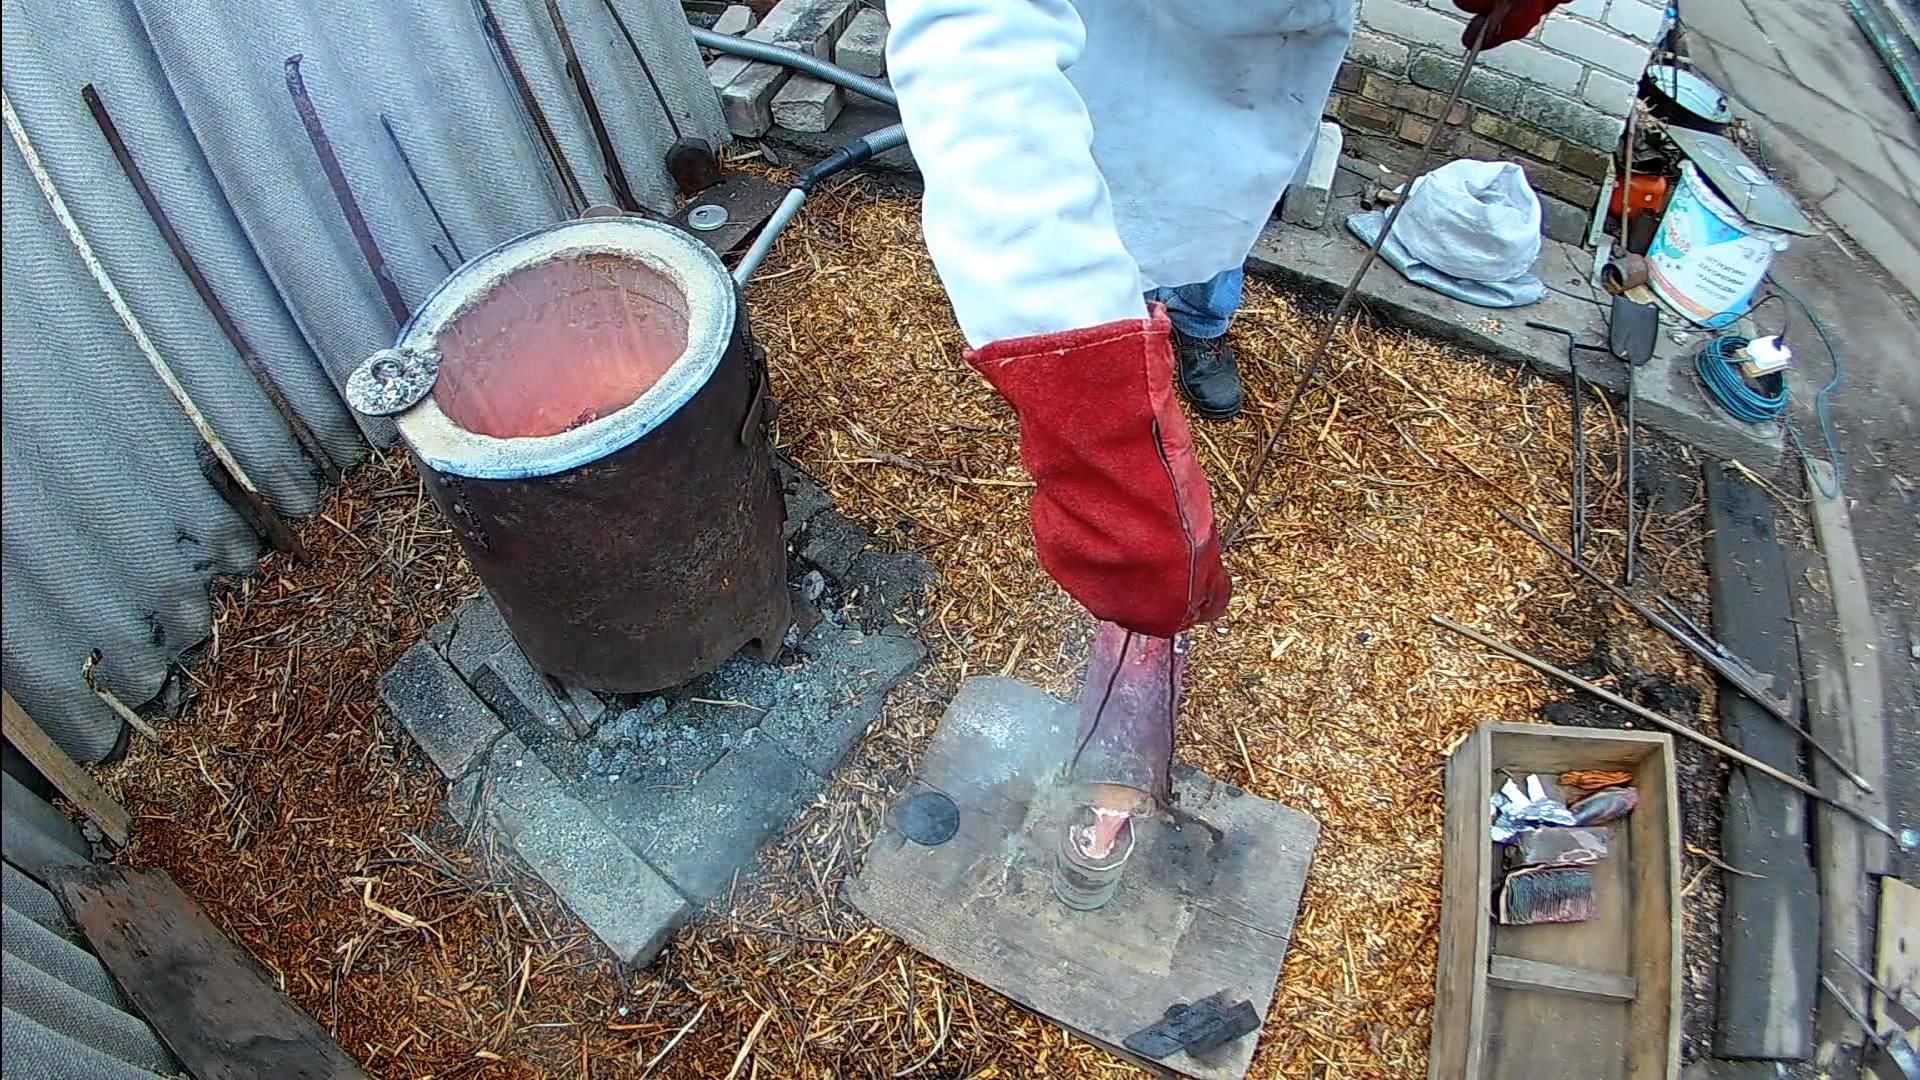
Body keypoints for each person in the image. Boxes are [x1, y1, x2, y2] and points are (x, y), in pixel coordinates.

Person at [884, 0, 1561, 843]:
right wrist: (1099, 432)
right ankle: (1135, 334)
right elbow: (976, 40)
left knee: (1206, 248)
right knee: (1118, 230)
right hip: (1108, 74)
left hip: (1252, 72)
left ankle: (1195, 333)